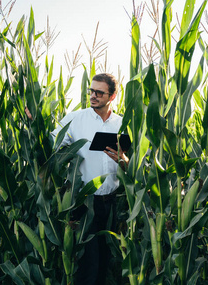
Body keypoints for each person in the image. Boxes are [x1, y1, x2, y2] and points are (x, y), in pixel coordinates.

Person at [52, 73, 128, 284]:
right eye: (91, 91)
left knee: (105, 260)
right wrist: (34, 123)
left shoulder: (121, 124)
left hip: (111, 202)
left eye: (99, 92)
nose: (93, 96)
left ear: (111, 96)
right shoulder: (76, 119)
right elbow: (52, 146)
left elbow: (132, 165)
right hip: (85, 202)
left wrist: (123, 160)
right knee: (89, 263)